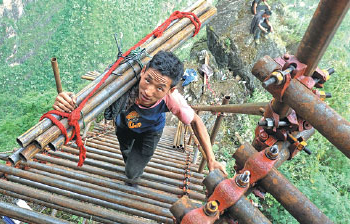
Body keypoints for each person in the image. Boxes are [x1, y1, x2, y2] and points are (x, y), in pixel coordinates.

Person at [53, 51, 227, 185]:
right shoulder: (124, 82)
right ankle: (131, 160)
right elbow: (93, 95)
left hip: (151, 132)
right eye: (148, 80)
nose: (148, 91)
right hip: (123, 125)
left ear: (170, 90)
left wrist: (211, 159)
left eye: (160, 88)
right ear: (143, 71)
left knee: (131, 173)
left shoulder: (173, 100)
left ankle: (133, 176)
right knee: (126, 151)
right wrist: (69, 100)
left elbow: (196, 121)